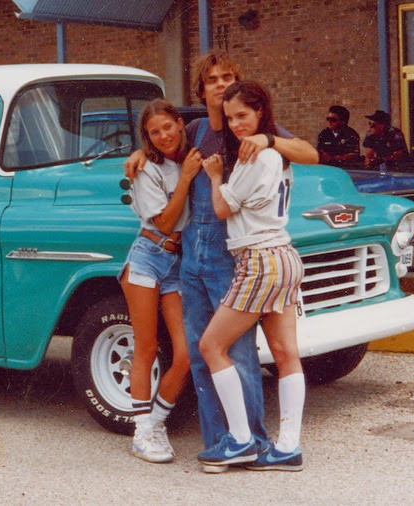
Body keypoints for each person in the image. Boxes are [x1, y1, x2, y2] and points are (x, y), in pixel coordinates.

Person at [124, 50, 317, 473]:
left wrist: (270, 139)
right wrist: (140, 156)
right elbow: (164, 149)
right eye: (211, 79)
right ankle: (222, 441)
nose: (219, 84)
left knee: (235, 350)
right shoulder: (193, 129)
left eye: (226, 77)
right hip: (192, 253)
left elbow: (308, 153)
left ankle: (250, 441)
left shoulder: (248, 126)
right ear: (201, 89)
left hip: (232, 253)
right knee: (199, 351)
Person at [197, 80, 305, 472]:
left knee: (211, 346)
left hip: (259, 259)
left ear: (261, 111)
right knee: (285, 354)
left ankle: (241, 440)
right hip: (285, 255)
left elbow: (223, 208)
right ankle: (288, 446)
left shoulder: (255, 156)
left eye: (243, 115)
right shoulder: (277, 153)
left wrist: (213, 177)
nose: (236, 124)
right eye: (229, 118)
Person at [120, 99, 197, 463]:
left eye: (168, 126)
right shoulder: (147, 168)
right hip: (148, 257)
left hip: (178, 263)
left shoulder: (192, 156)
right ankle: (141, 432)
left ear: (180, 123)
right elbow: (164, 223)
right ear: (147, 138)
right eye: (154, 132)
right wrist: (183, 180)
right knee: (146, 346)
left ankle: (157, 422)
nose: (164, 135)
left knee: (186, 353)